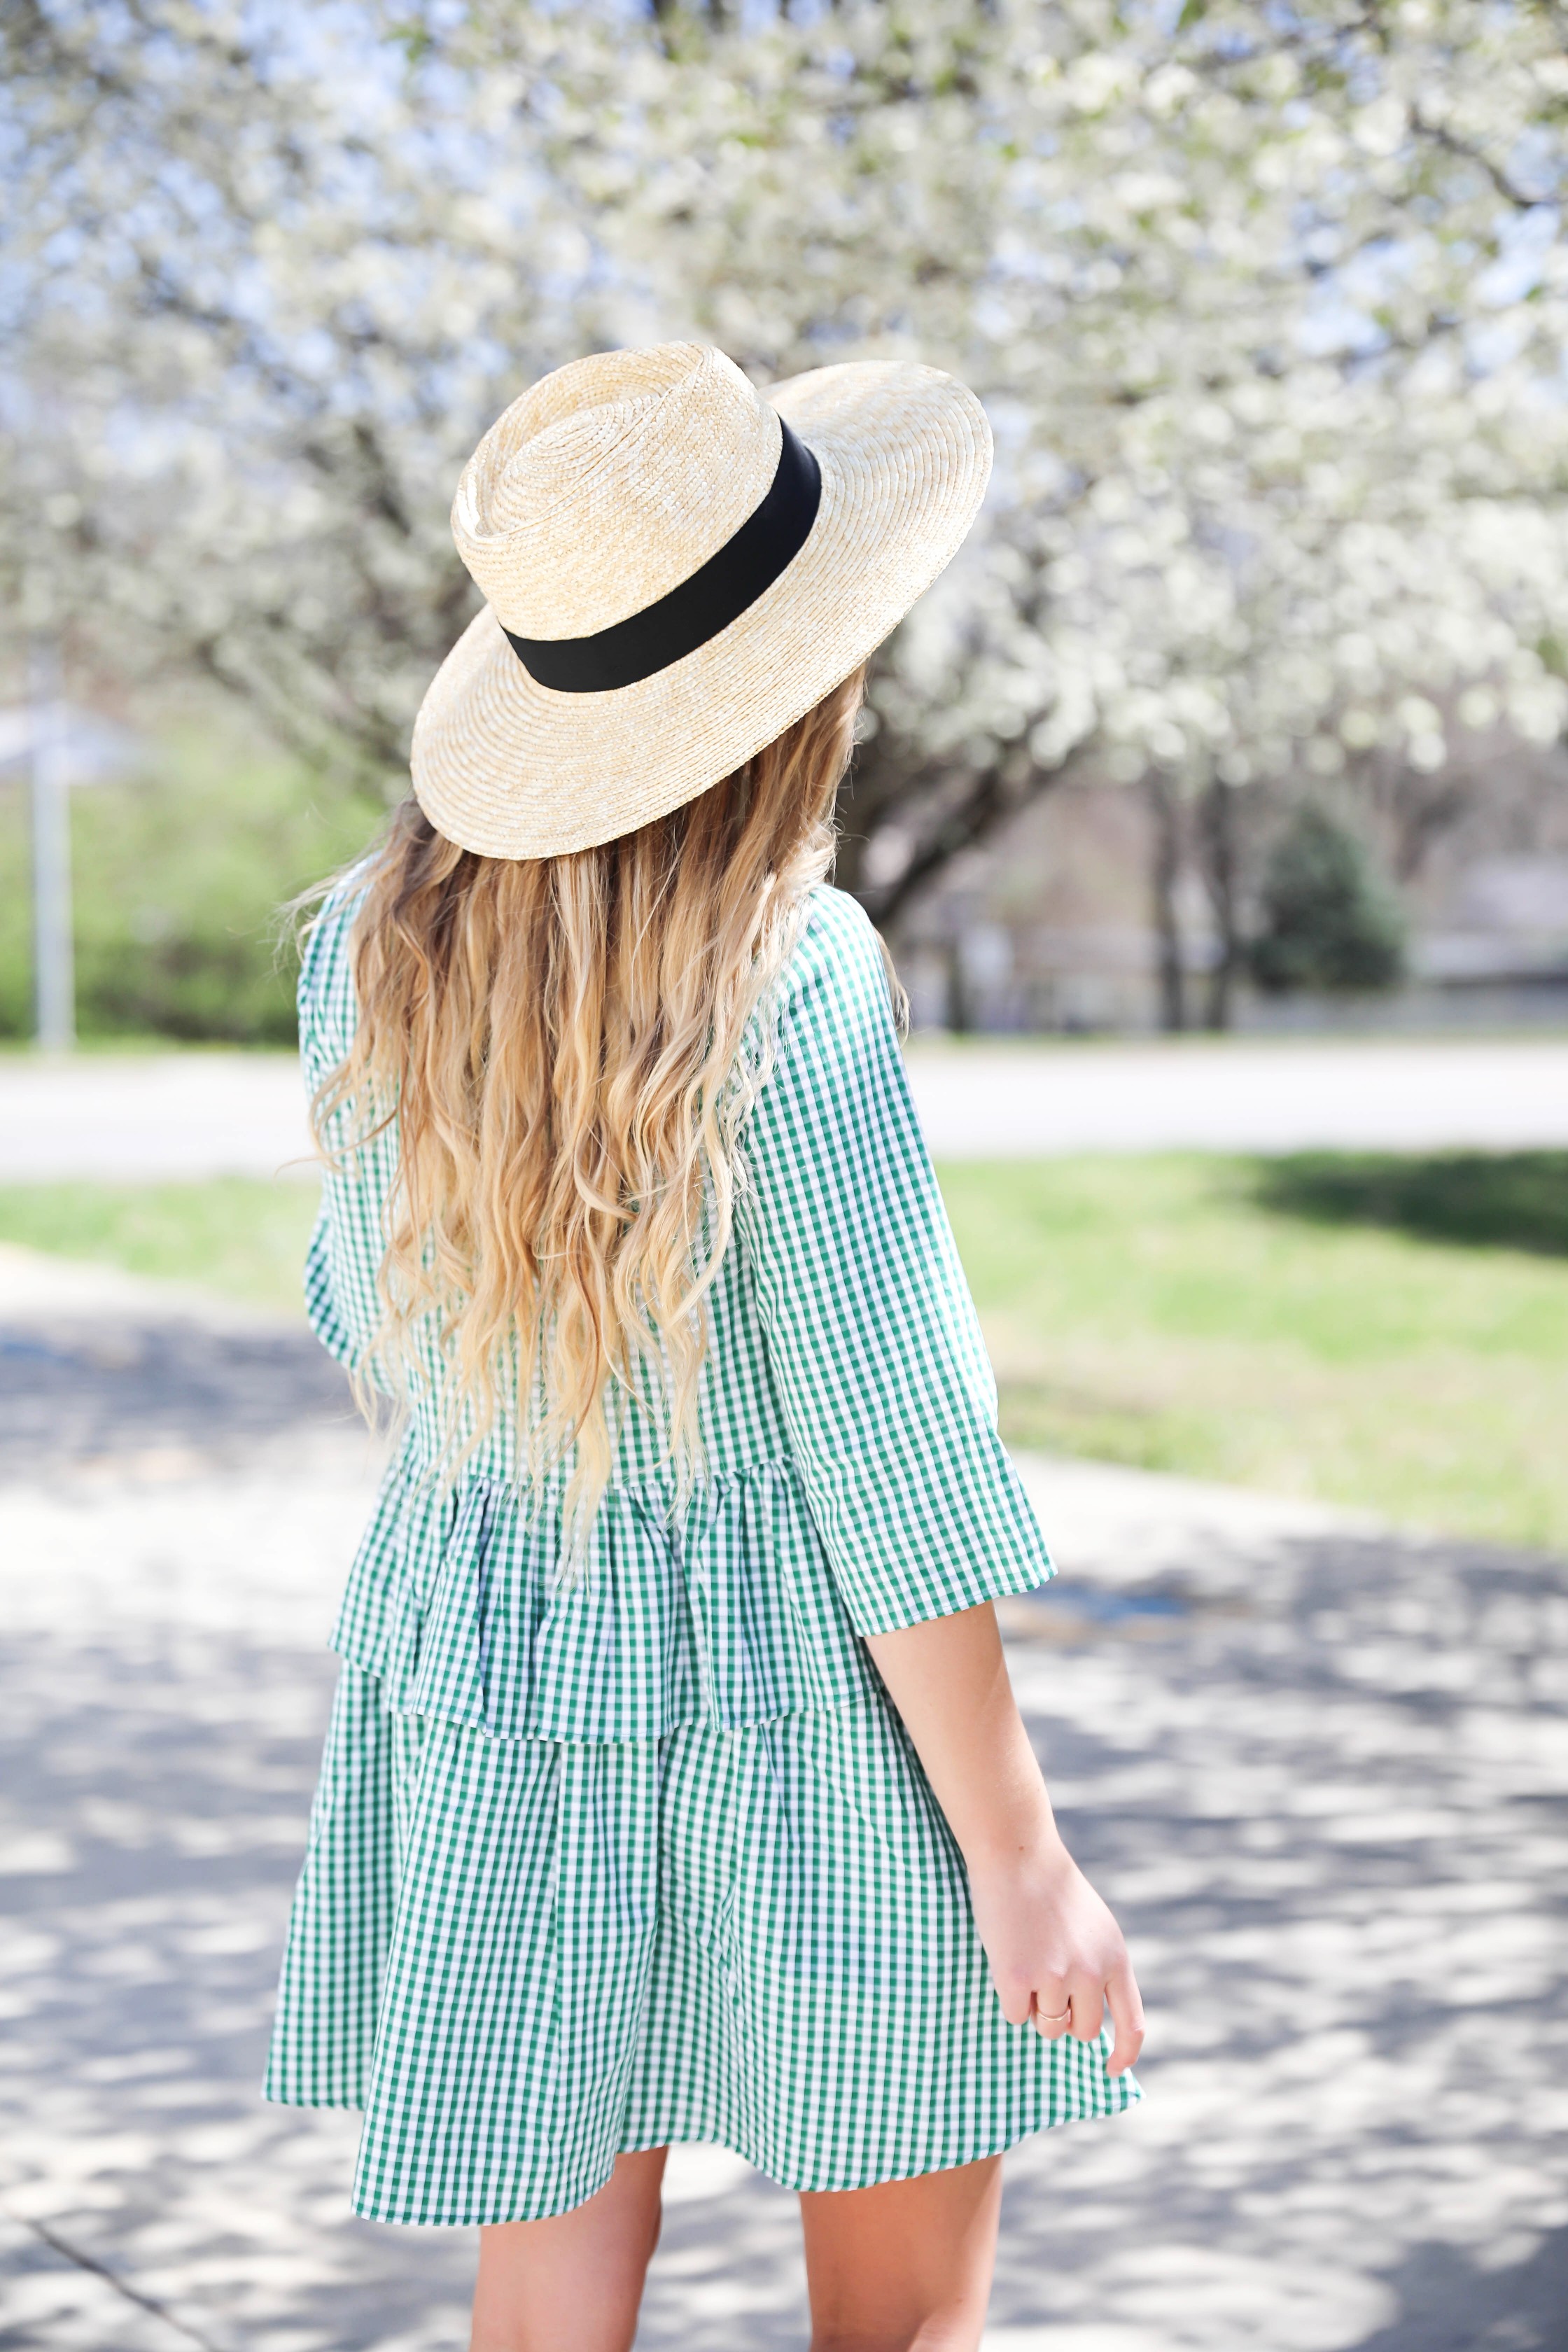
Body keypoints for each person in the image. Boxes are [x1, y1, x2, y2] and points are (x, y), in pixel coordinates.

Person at [265, 342, 1143, 2352]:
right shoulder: (794, 972)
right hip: (801, 1690)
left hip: (498, 1661)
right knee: (906, 2260)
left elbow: (362, 1315)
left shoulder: (362, 952)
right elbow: (888, 1447)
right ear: (796, 681)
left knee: (560, 2257)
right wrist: (1023, 1857)